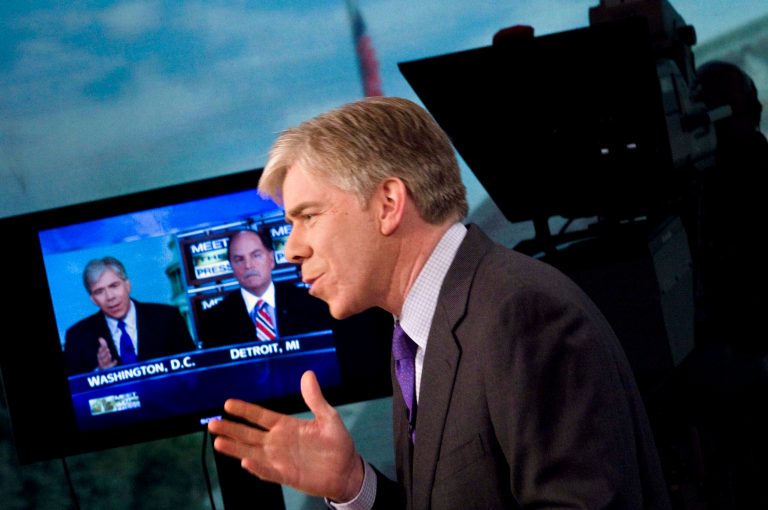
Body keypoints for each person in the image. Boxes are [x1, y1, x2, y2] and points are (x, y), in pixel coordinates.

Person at [207, 97, 671, 508]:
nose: (291, 249)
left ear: (388, 203)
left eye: (307, 216)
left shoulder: (522, 313)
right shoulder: (415, 336)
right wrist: (353, 485)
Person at [198, 227, 331, 348]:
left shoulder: (309, 302)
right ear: (231, 266)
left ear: (271, 259)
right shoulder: (214, 321)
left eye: (256, 255)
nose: (248, 265)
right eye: (239, 259)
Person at [64, 256, 196, 376]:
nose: (110, 297)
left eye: (114, 286)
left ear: (127, 285)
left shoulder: (168, 318)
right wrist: (99, 374)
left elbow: (193, 371)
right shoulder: (77, 337)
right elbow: (76, 392)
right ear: (93, 299)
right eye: (99, 292)